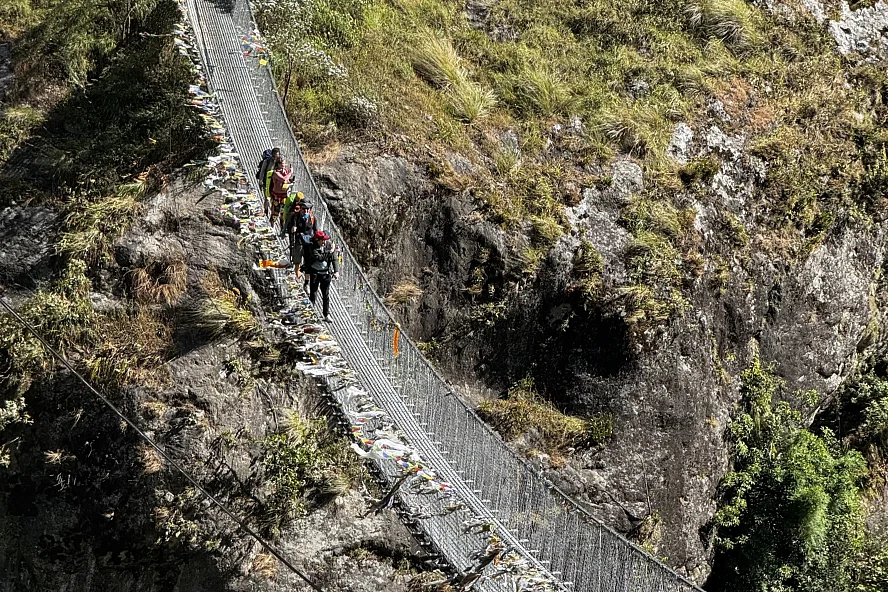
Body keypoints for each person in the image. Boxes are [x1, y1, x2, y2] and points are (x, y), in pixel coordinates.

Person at [302, 230, 339, 322]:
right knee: (313, 293)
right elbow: (319, 258)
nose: (324, 242)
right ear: (317, 240)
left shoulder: (328, 245)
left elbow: (334, 259)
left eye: (325, 240)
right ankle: (311, 314)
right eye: (322, 240)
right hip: (315, 273)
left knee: (326, 295)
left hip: (326, 274)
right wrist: (330, 251)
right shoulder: (312, 248)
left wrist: (336, 271)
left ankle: (326, 314)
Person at [286, 199, 317, 275]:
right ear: (300, 209)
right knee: (297, 261)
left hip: (308, 243)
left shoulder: (313, 218)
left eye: (308, 209)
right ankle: (297, 276)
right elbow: (288, 229)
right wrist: (292, 229)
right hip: (298, 242)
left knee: (308, 262)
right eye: (304, 209)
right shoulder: (294, 217)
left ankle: (305, 282)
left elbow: (315, 230)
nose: (306, 211)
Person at [256, 147, 279, 214]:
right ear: (272, 155)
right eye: (274, 156)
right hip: (267, 182)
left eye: (277, 156)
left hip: (276, 183)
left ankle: (272, 213)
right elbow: (262, 171)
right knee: (267, 198)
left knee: (274, 200)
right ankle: (266, 211)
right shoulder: (267, 161)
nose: (275, 158)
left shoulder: (279, 162)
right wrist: (260, 181)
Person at [269, 158, 292, 223]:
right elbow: (283, 179)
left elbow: (287, 180)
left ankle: (282, 228)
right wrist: (290, 172)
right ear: (278, 164)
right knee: (275, 212)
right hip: (276, 194)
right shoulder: (276, 172)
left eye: (284, 163)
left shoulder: (285, 171)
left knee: (283, 212)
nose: (284, 165)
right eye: (282, 163)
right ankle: (272, 225)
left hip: (284, 195)